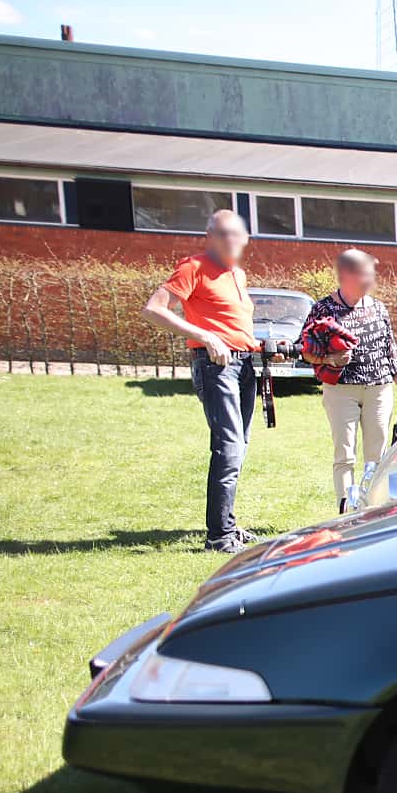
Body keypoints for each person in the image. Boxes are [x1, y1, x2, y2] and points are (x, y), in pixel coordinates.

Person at [142, 209, 261, 552]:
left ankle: (228, 525)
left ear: (245, 239)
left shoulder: (237, 273)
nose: (231, 240)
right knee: (229, 448)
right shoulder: (192, 267)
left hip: (244, 365)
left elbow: (232, 323)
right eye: (223, 233)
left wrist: (257, 348)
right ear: (208, 236)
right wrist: (207, 338)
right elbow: (153, 309)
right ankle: (219, 536)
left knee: (239, 446)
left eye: (237, 234)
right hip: (215, 367)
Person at [300, 249, 397, 510]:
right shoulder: (323, 309)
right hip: (341, 390)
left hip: (379, 388)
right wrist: (328, 360)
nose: (371, 281)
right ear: (347, 276)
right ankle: (346, 509)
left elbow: (390, 350)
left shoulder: (378, 308)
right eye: (366, 275)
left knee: (378, 454)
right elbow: (304, 349)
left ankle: (373, 507)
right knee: (345, 453)